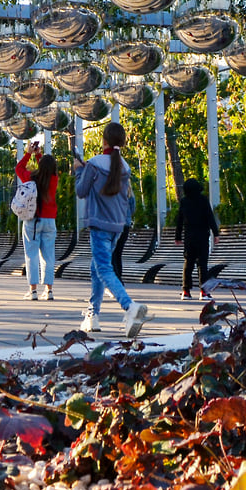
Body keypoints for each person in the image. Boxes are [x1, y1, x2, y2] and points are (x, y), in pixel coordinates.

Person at [73, 121, 150, 337]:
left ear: (103, 140)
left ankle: (130, 306)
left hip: (99, 224)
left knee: (104, 269)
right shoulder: (125, 166)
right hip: (117, 225)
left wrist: (79, 171)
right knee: (96, 269)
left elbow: (81, 191)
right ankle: (93, 315)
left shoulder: (94, 164)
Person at [16, 140, 58, 301]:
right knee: (48, 256)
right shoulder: (54, 179)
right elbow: (47, 168)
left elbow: (19, 169)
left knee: (31, 255)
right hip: (50, 221)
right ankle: (49, 291)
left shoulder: (31, 177)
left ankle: (33, 291)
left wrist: (29, 153)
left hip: (32, 220)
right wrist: (39, 155)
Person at [175, 178, 220, 300]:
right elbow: (210, 217)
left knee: (188, 263)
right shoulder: (203, 200)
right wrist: (216, 234)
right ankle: (204, 292)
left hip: (189, 236)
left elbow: (180, 220)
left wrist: (177, 236)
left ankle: (186, 291)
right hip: (202, 236)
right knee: (202, 264)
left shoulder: (184, 201)